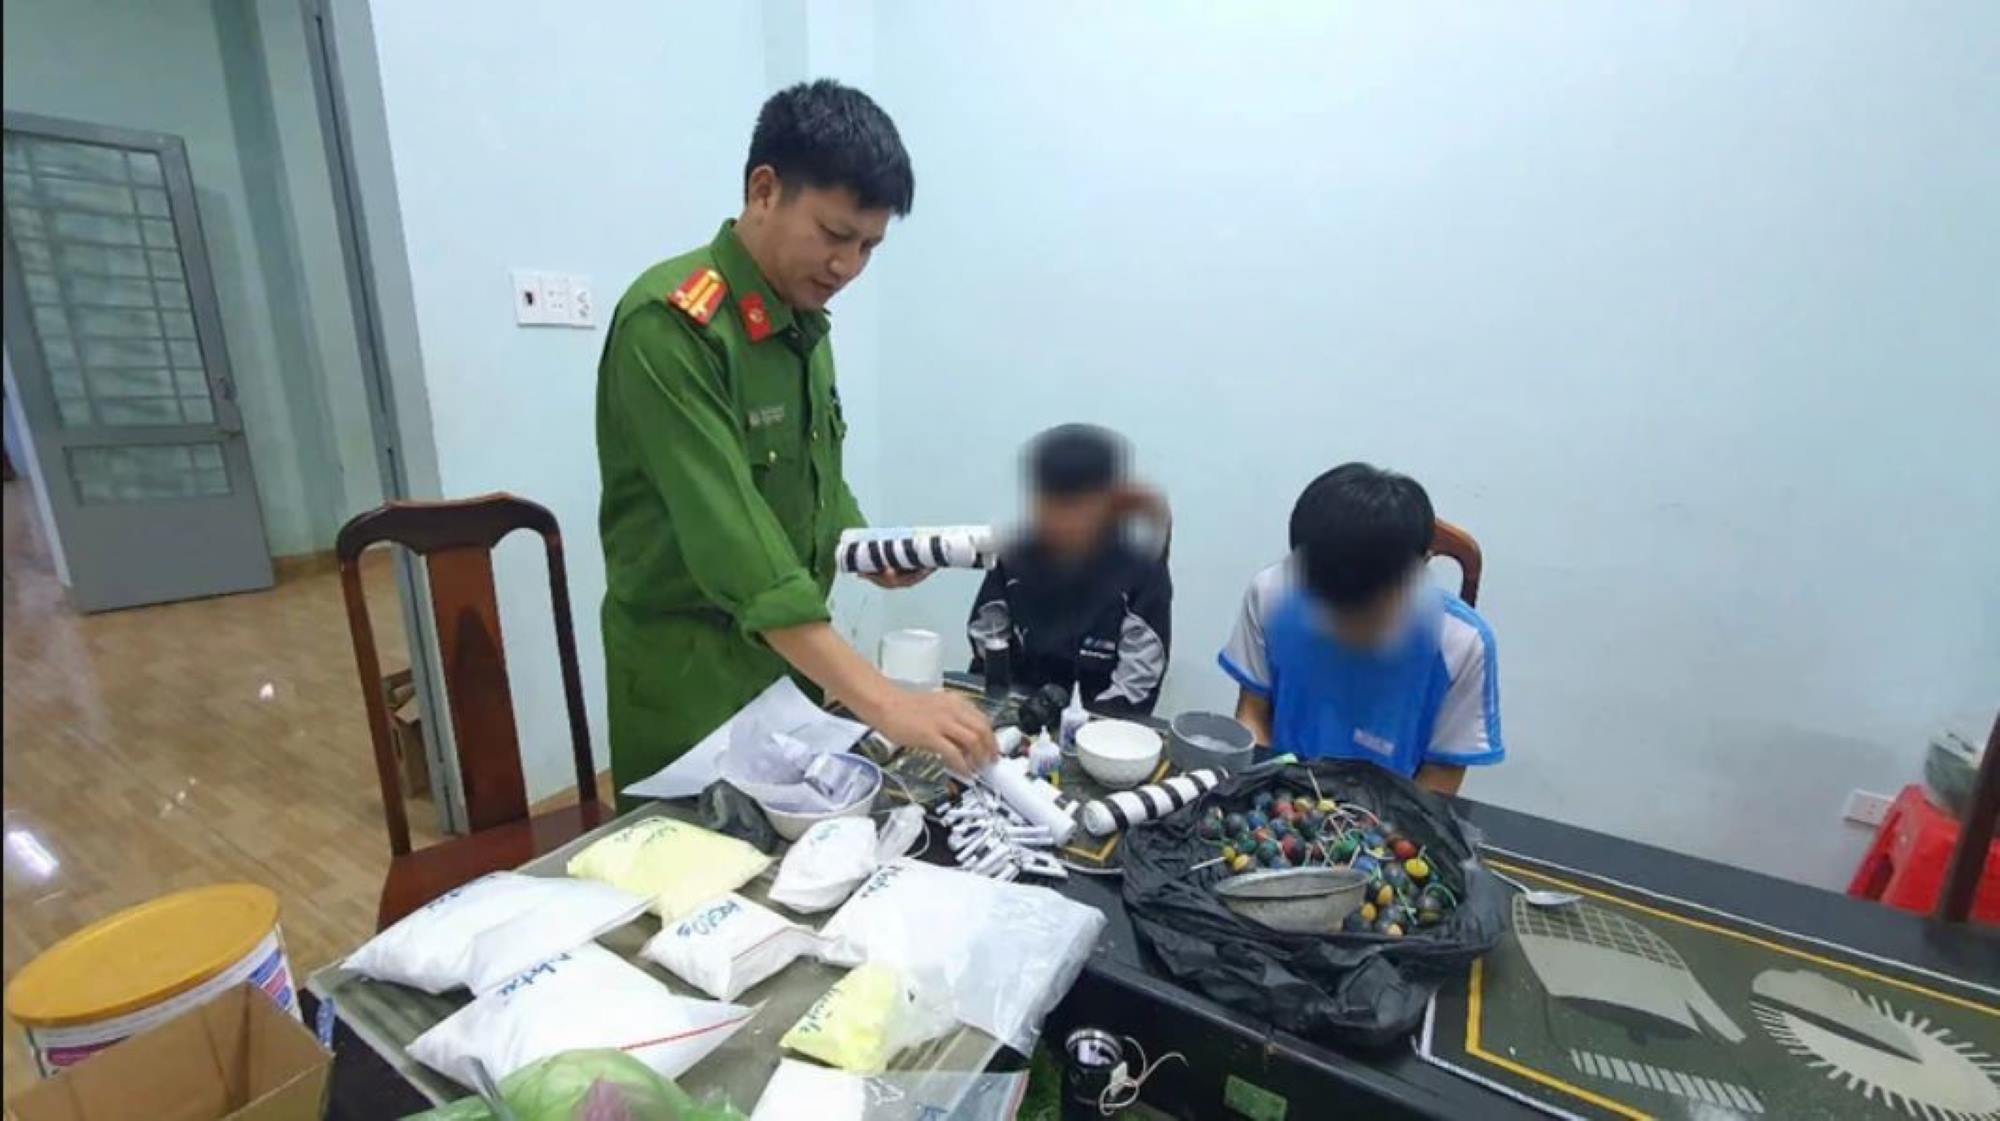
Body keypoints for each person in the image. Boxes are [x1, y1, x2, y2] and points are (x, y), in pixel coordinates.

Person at [597, 80, 997, 801]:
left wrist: (863, 544)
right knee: (696, 891)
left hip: (786, 674)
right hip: (689, 681)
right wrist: (884, 698)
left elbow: (814, 476)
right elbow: (738, 548)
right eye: (835, 234)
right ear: (764, 190)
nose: (847, 267)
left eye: (869, 246)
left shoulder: (801, 321)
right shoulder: (672, 326)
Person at [1220, 463, 1502, 796]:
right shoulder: (1273, 594)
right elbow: (1253, 713)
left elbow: (1440, 776)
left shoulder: (1461, 643)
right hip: (1279, 796)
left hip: (1390, 816)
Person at [966, 424, 1173, 716]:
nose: (1062, 521)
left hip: (1102, 726)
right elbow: (987, 639)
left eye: (1077, 507)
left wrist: (1079, 731)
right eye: (1050, 504)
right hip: (1017, 710)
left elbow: (1138, 683)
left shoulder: (1141, 572)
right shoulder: (1015, 557)